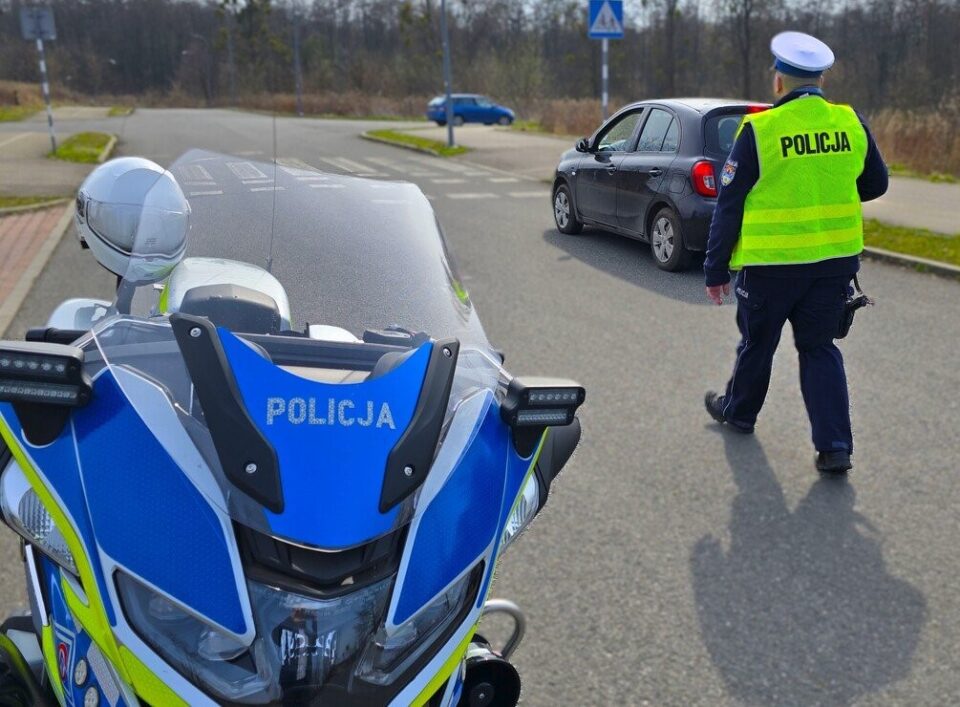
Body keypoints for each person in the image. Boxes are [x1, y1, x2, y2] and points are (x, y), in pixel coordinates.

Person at [702, 31, 889, 473]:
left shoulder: (760, 131)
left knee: (757, 345)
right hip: (833, 265)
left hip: (771, 268)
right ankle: (835, 447)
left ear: (779, 81)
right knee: (819, 348)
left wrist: (715, 270)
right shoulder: (849, 121)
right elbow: (876, 183)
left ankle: (739, 414)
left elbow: (728, 205)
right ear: (820, 79)